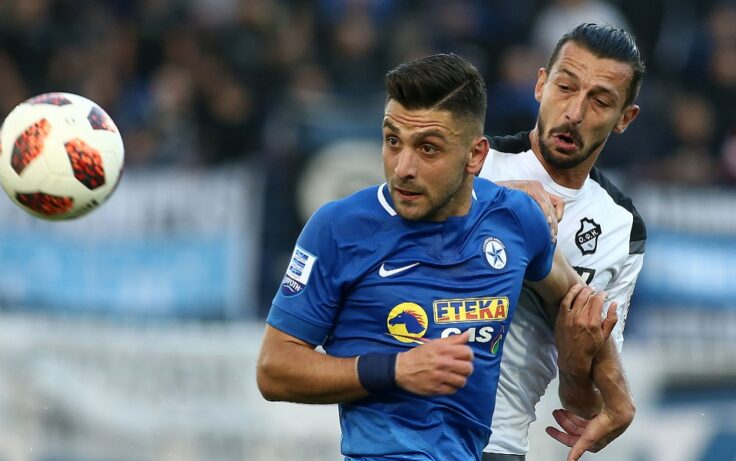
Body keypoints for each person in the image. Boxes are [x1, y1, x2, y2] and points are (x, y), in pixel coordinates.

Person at [256, 52, 626, 460]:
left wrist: (617, 398)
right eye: (392, 141)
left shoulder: (515, 219)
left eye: (428, 148)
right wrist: (395, 370)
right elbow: (274, 368)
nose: (403, 168)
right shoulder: (338, 229)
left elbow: (577, 299)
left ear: (475, 156)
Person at [479, 23, 646, 461]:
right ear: (541, 85)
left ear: (625, 118)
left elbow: (584, 404)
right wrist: (499, 199)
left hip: (498, 444)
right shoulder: (477, 163)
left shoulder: (621, 227)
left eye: (600, 101)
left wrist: (574, 362)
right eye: (565, 87)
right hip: (408, 425)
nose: (574, 112)